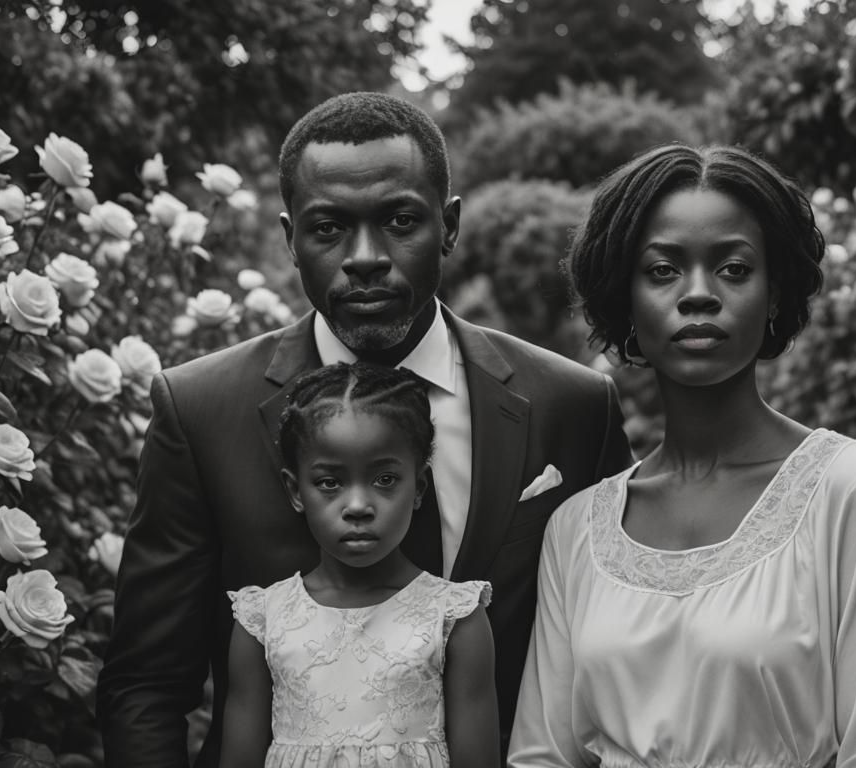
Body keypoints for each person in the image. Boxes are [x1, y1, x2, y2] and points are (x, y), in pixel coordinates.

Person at [97, 92, 634, 767]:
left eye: (400, 220)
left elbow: (621, 655)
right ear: (291, 238)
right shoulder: (201, 410)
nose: (365, 256)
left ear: (449, 224)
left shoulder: (574, 405)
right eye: (328, 229)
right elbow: (146, 684)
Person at [508, 144, 856, 768]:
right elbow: (542, 754)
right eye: (662, 271)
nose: (698, 294)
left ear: (776, 294)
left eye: (733, 268)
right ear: (624, 300)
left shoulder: (849, 489)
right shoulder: (576, 529)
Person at [220, 362, 499, 768]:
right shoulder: (262, 621)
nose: (357, 506)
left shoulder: (454, 618)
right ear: (296, 491)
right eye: (330, 483)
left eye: (384, 479)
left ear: (419, 487)